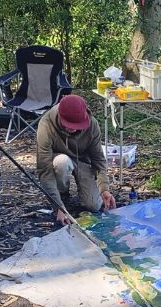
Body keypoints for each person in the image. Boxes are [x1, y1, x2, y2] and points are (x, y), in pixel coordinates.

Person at [36, 95, 116, 224]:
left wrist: (104, 189)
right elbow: (44, 170)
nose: (72, 128)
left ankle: (84, 195)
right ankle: (62, 195)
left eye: (76, 125)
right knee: (62, 162)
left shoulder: (92, 124)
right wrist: (58, 206)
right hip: (58, 159)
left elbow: (99, 160)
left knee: (94, 206)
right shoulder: (46, 125)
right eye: (69, 124)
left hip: (83, 162)